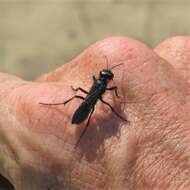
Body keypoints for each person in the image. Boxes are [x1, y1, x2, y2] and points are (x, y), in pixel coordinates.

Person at [1, 36, 190, 190]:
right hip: (88, 104)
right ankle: (77, 126)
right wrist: (117, 111)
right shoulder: (103, 85)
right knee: (87, 107)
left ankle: (78, 123)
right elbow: (104, 95)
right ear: (106, 78)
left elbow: (101, 90)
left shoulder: (99, 82)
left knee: (83, 100)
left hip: (88, 101)